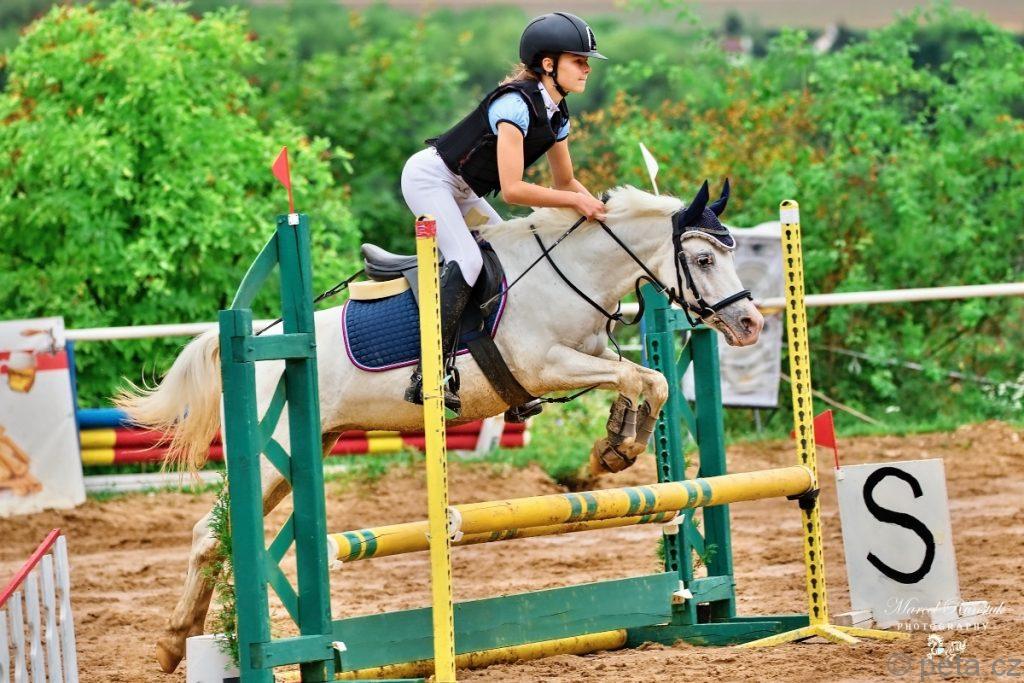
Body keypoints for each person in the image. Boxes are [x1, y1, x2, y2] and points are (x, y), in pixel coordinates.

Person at [401, 11, 608, 417]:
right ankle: (429, 372)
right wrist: (575, 204)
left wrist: (602, 212)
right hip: (430, 180)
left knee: (512, 259)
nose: (586, 69)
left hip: (463, 190)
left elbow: (566, 181)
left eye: (586, 62)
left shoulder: (557, 113)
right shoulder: (515, 105)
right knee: (469, 260)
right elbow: (513, 191)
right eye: (578, 61)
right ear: (548, 64)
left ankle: (510, 375)